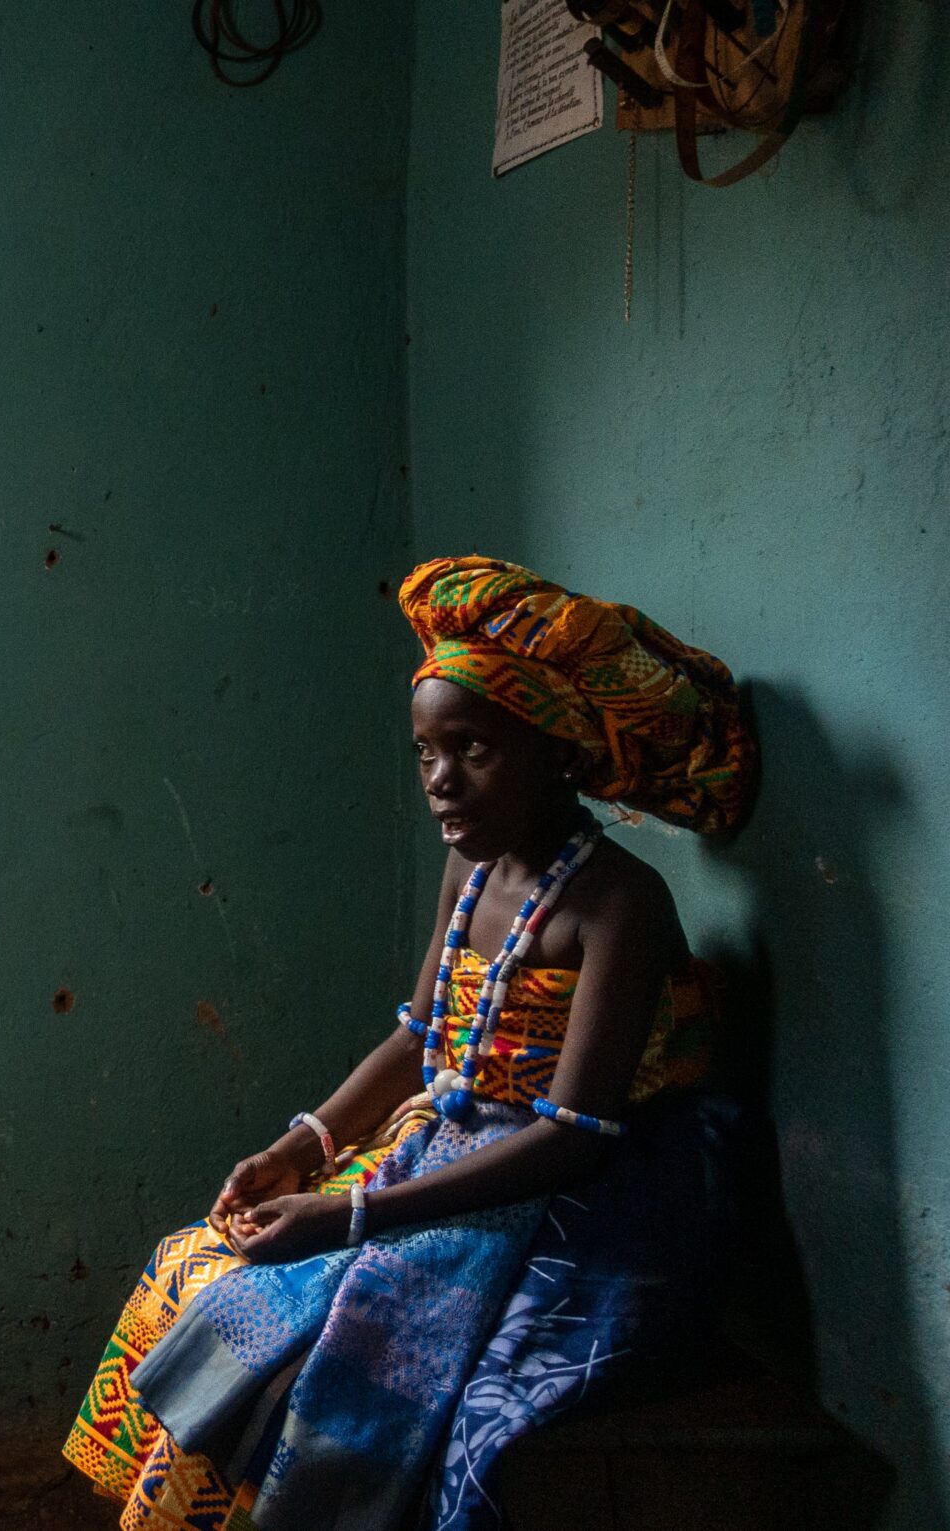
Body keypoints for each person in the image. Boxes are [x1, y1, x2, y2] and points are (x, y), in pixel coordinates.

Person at [63, 555, 755, 1531]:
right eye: (425, 752)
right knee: (196, 1271)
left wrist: (349, 1218)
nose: (440, 779)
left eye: (471, 749)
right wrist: (302, 1147)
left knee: (335, 1366)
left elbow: (577, 1136)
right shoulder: (470, 869)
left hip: (579, 1200)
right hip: (448, 1148)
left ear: (558, 752)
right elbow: (418, 1036)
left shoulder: (616, 904)